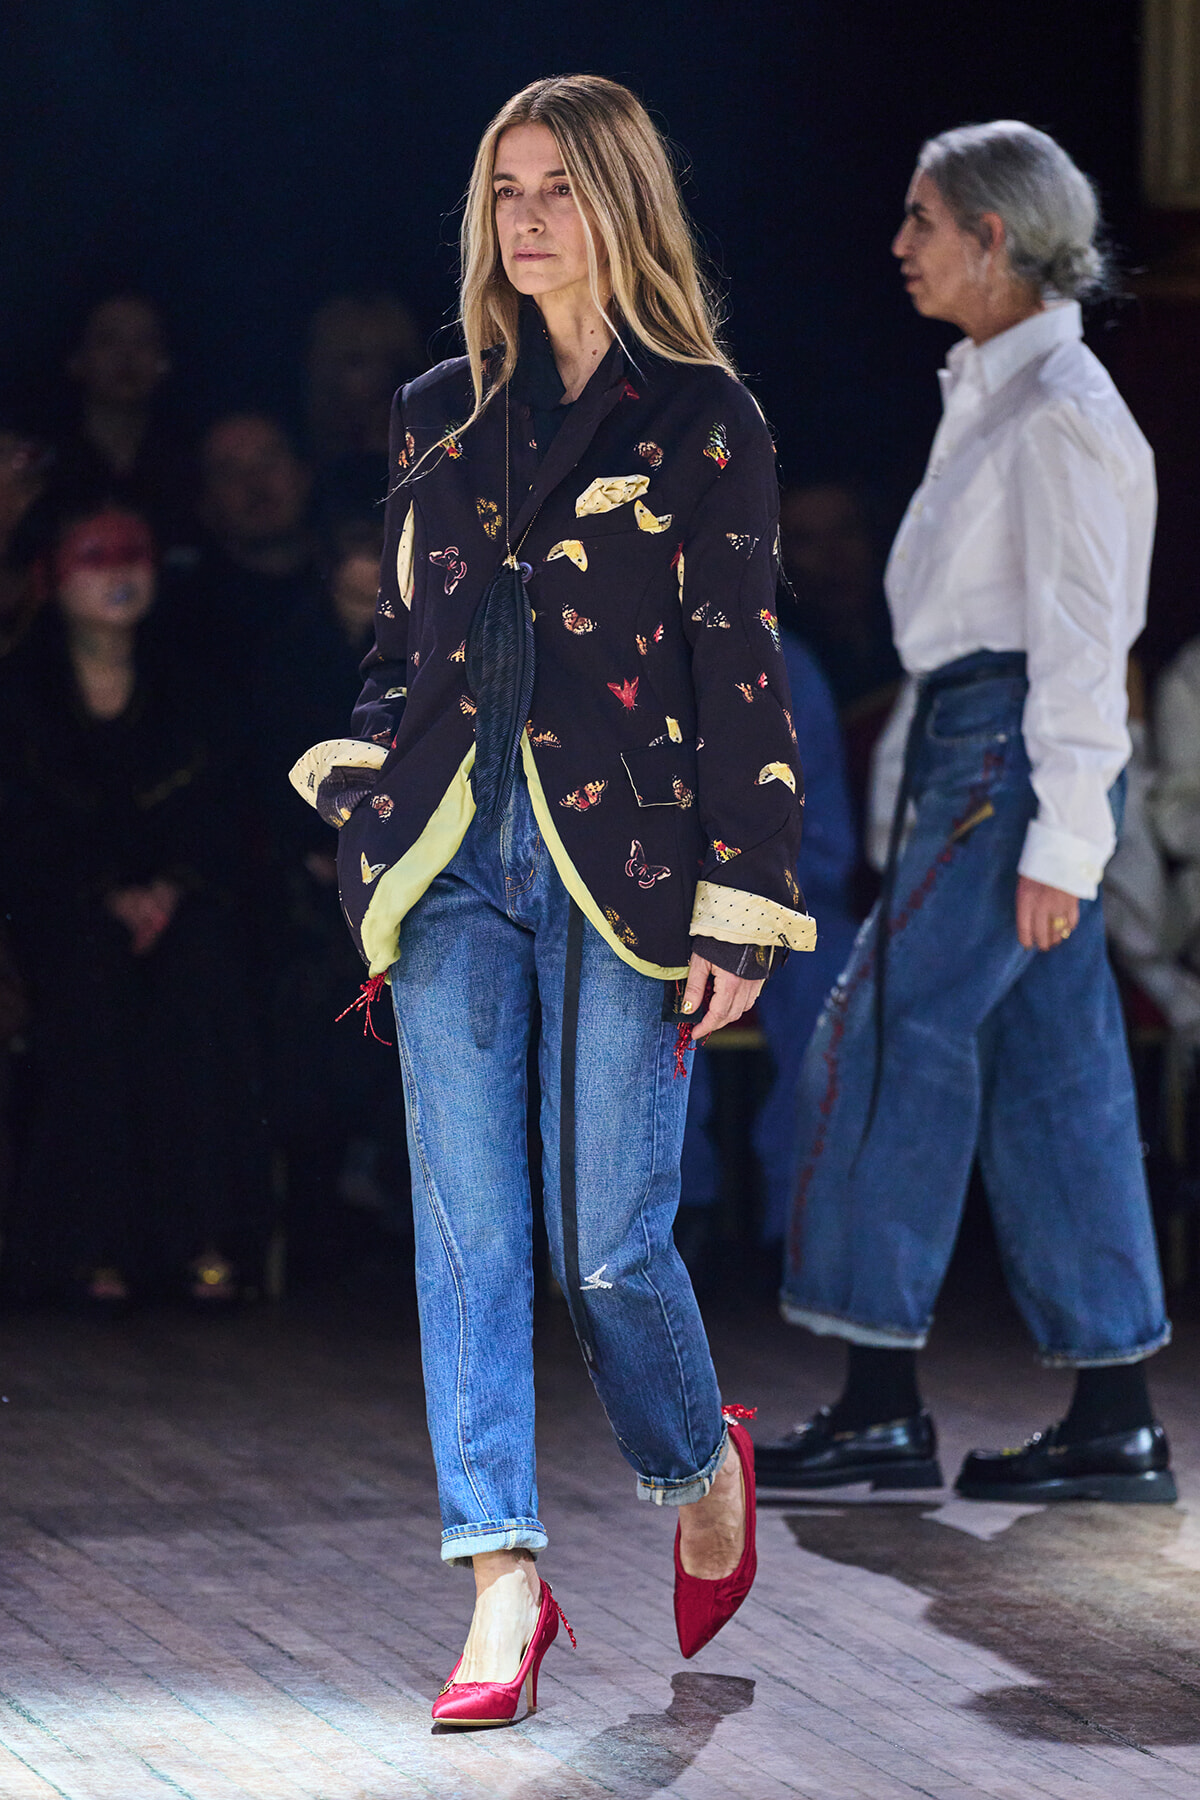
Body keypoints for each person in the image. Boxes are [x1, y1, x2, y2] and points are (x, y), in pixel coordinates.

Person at [293, 74, 814, 1723]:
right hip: (452, 855)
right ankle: (500, 1583)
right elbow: (404, 647)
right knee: (470, 1232)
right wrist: (360, 765)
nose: (526, 218)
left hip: (631, 866)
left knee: (609, 1247)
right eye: (505, 189)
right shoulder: (440, 408)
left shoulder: (705, 416)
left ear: (622, 206)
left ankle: (692, 1459)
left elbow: (742, 675)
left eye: (560, 188)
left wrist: (747, 901)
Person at [760, 121, 1174, 1504]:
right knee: (1058, 1082)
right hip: (980, 747)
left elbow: (1076, 645)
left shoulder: (1059, 410)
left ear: (993, 236)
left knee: (879, 1033)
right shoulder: (1001, 393)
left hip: (1011, 764)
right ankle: (1113, 1411)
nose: (900, 244)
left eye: (923, 219)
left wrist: (1063, 841)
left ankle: (880, 1401)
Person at [0, 496, 268, 1306]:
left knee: (200, 981)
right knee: (88, 991)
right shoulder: (18, 692)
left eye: (134, 552)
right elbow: (22, 832)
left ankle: (201, 1239)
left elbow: (227, 812)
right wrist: (101, 895)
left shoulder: (191, 681)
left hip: (179, 906)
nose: (119, 572)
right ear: (51, 576)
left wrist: (169, 888)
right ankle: (88, 1244)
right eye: (95, 555)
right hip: (58, 918)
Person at [679, 628, 857, 1267]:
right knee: (648, 979)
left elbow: (827, 832)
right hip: (667, 898)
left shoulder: (790, 662)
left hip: (790, 896)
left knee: (837, 980)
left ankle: (803, 1222)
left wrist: (762, 901)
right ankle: (677, 1212)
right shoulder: (626, 641)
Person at [51, 294, 193, 554]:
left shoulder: (190, 459)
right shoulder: (45, 459)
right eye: (108, 340)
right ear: (77, 361)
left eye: (143, 342)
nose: (127, 355)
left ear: (164, 363)